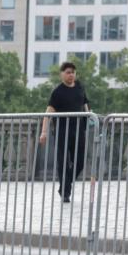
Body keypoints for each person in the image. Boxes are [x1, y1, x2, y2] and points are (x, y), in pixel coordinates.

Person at [39, 61, 90, 203]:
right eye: (68, 72)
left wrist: (90, 117)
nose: (71, 75)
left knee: (79, 162)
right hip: (62, 132)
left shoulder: (79, 86)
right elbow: (48, 113)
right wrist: (44, 132)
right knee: (62, 162)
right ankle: (65, 192)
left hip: (79, 131)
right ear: (62, 74)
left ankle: (65, 184)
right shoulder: (57, 92)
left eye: (73, 72)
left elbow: (85, 104)